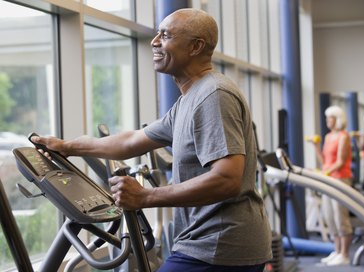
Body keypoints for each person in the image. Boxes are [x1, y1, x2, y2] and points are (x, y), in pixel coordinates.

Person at [32, 8, 272, 272]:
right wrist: (67, 147)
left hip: (219, 246)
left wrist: (146, 196)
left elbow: (228, 179)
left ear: (195, 46)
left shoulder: (212, 95)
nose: (154, 41)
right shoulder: (191, 99)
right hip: (211, 243)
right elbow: (131, 141)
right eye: (157, 33)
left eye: (165, 35)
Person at [309, 105, 353, 266]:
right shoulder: (328, 137)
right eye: (327, 118)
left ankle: (345, 254)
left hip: (341, 179)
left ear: (338, 119)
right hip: (329, 179)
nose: (328, 121)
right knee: (329, 216)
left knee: (340, 216)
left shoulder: (344, 136)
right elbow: (325, 162)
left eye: (330, 118)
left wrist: (325, 173)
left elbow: (340, 162)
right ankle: (337, 251)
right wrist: (315, 147)